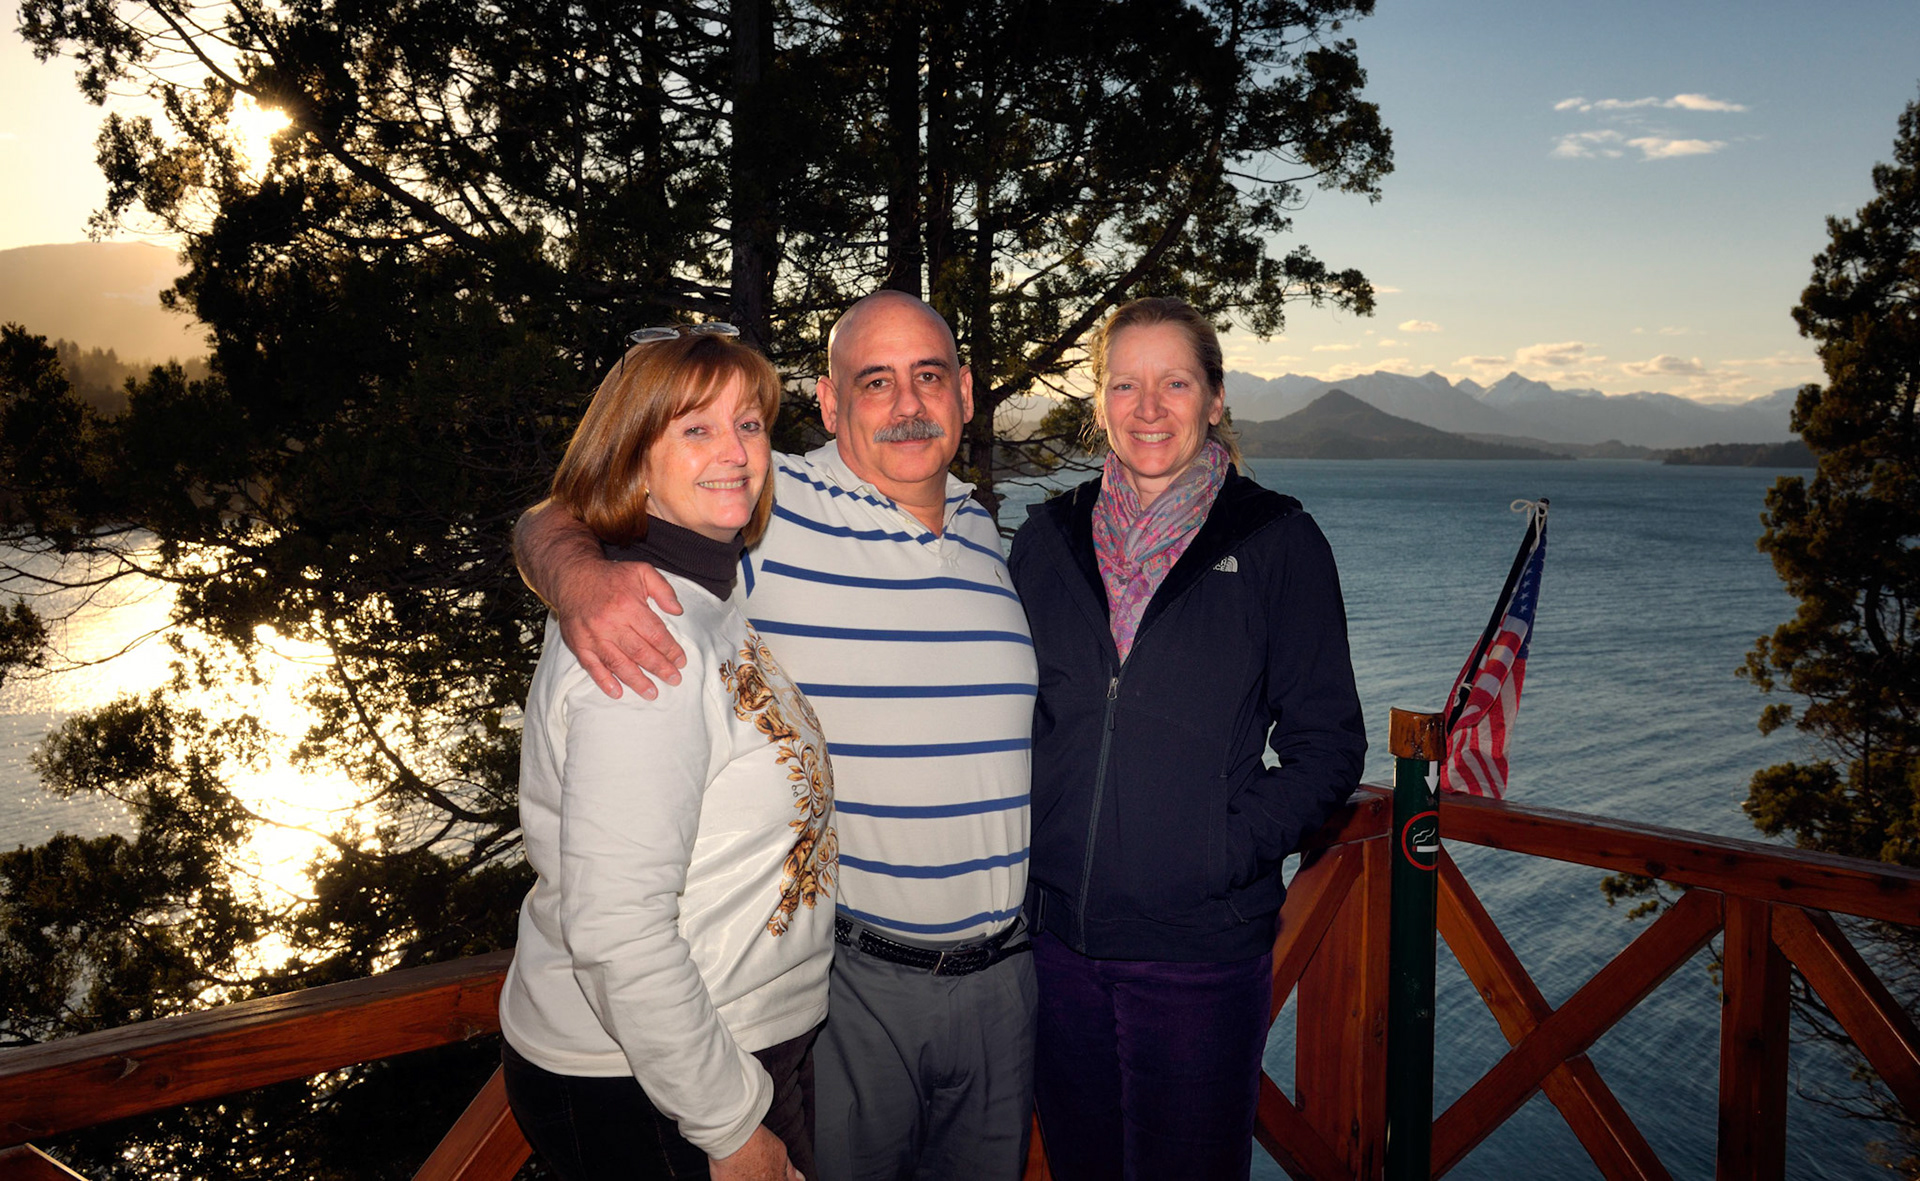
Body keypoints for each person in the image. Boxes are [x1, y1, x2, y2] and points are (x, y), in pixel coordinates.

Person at [513, 292, 1039, 1181]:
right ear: (831, 406)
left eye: (930, 377)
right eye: (875, 381)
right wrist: (577, 579)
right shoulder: (765, 497)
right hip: (857, 988)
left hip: (1002, 981)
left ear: (965, 393)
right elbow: (560, 510)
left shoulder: (988, 530)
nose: (907, 403)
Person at [1007, 297, 1366, 1180]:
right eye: (1125, 384)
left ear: (1213, 399)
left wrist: (1219, 849)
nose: (1149, 406)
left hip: (1198, 958)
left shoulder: (1278, 540)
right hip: (1055, 951)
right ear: (1100, 401)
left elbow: (1329, 744)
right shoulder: (1047, 541)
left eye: (1175, 382)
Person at [498, 325, 835, 1181]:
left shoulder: (700, 595)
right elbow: (617, 927)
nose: (736, 452)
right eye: (696, 429)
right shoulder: (644, 631)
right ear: (634, 458)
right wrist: (728, 1125)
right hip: (660, 1085)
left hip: (711, 1052)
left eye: (750, 425)